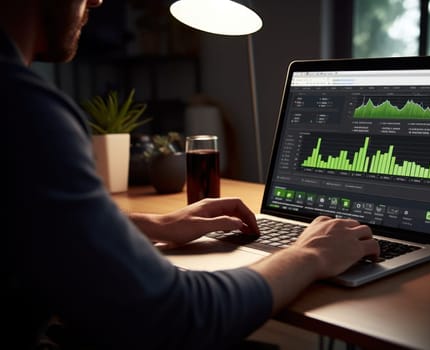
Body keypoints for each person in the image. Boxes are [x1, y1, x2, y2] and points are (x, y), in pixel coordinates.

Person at [3, 0, 380, 349]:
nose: (97, 0)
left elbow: (31, 220)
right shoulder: (23, 109)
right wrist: (310, 253)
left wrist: (154, 224)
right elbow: (179, 315)